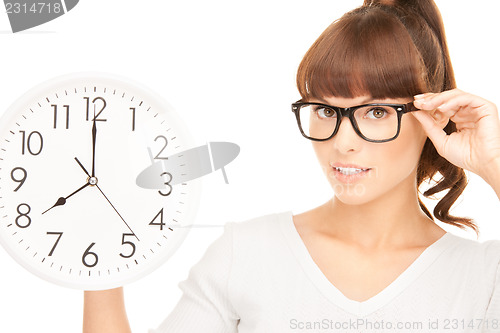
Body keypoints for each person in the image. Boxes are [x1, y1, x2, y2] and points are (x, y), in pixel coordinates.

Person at [83, 0, 500, 332]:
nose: (342, 141)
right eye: (324, 109)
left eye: (375, 112)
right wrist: (96, 249)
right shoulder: (246, 253)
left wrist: (495, 163)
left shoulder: (481, 277)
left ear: (431, 116)